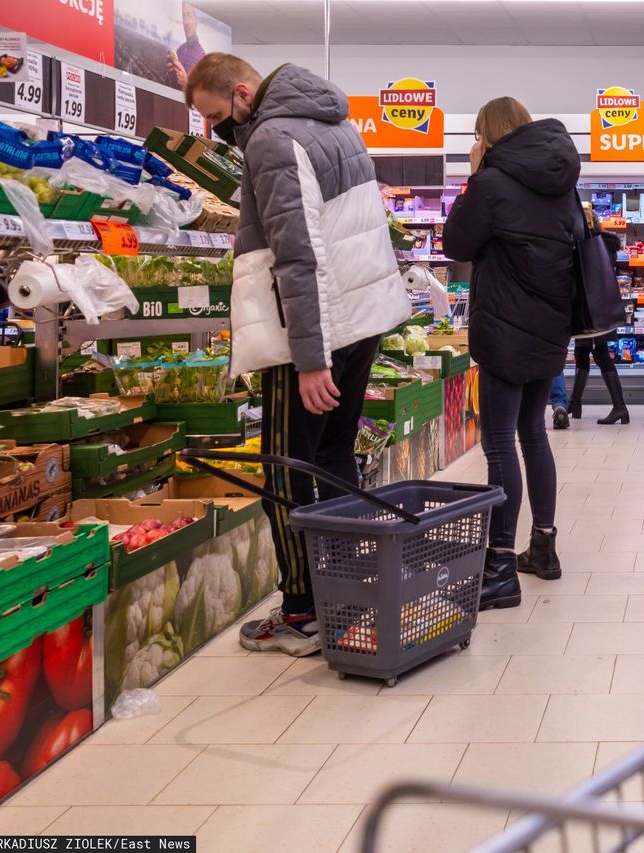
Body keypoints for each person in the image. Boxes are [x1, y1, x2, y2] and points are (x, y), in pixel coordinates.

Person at [186, 54, 410, 655]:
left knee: (282, 464)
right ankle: (347, 586)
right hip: (363, 318)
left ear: (240, 92)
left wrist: (310, 357)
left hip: (309, 332)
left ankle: (303, 610)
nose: (214, 132)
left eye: (214, 116)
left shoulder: (270, 138)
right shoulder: (336, 123)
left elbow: (298, 252)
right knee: (334, 451)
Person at [443, 97, 580, 608]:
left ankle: (499, 566)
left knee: (499, 442)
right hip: (550, 328)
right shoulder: (563, 183)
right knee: (532, 435)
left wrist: (474, 176)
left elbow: (456, 243)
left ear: (489, 135)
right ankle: (543, 547)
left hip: (503, 328)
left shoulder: (491, 183)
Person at [569, 334, 629, 425]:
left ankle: (620, 407)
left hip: (592, 327)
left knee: (601, 357)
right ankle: (575, 404)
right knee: (581, 354)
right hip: (588, 326)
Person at [169, 2, 205, 91]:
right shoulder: (180, 50)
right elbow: (173, 87)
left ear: (196, 21)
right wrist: (170, 74)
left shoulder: (203, 59)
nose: (186, 22)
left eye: (189, 15)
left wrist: (186, 84)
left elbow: (202, 100)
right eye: (184, 16)